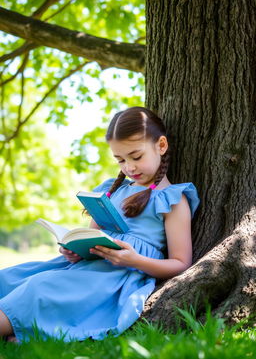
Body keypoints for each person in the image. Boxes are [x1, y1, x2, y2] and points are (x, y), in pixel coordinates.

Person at [0, 106, 199, 343]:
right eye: (120, 160)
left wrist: (134, 260)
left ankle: (18, 331)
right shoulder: (112, 190)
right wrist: (74, 250)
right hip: (85, 267)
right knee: (14, 276)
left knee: (38, 288)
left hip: (115, 277)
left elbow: (181, 263)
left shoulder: (172, 199)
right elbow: (90, 235)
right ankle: (19, 333)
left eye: (136, 157)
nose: (129, 167)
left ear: (161, 146)